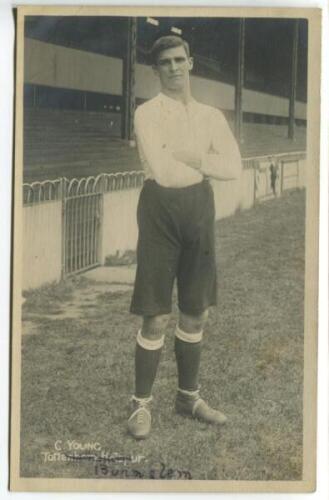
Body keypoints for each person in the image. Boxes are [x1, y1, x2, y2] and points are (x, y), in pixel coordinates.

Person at [128, 35, 242, 439]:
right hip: (160, 209)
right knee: (156, 313)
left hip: (199, 208)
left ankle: (187, 397)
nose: (174, 68)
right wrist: (206, 162)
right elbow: (164, 172)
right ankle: (141, 406)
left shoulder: (211, 115)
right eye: (165, 63)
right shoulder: (147, 113)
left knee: (196, 310)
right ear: (156, 70)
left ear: (191, 62)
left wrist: (193, 157)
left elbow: (235, 167)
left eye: (179, 60)